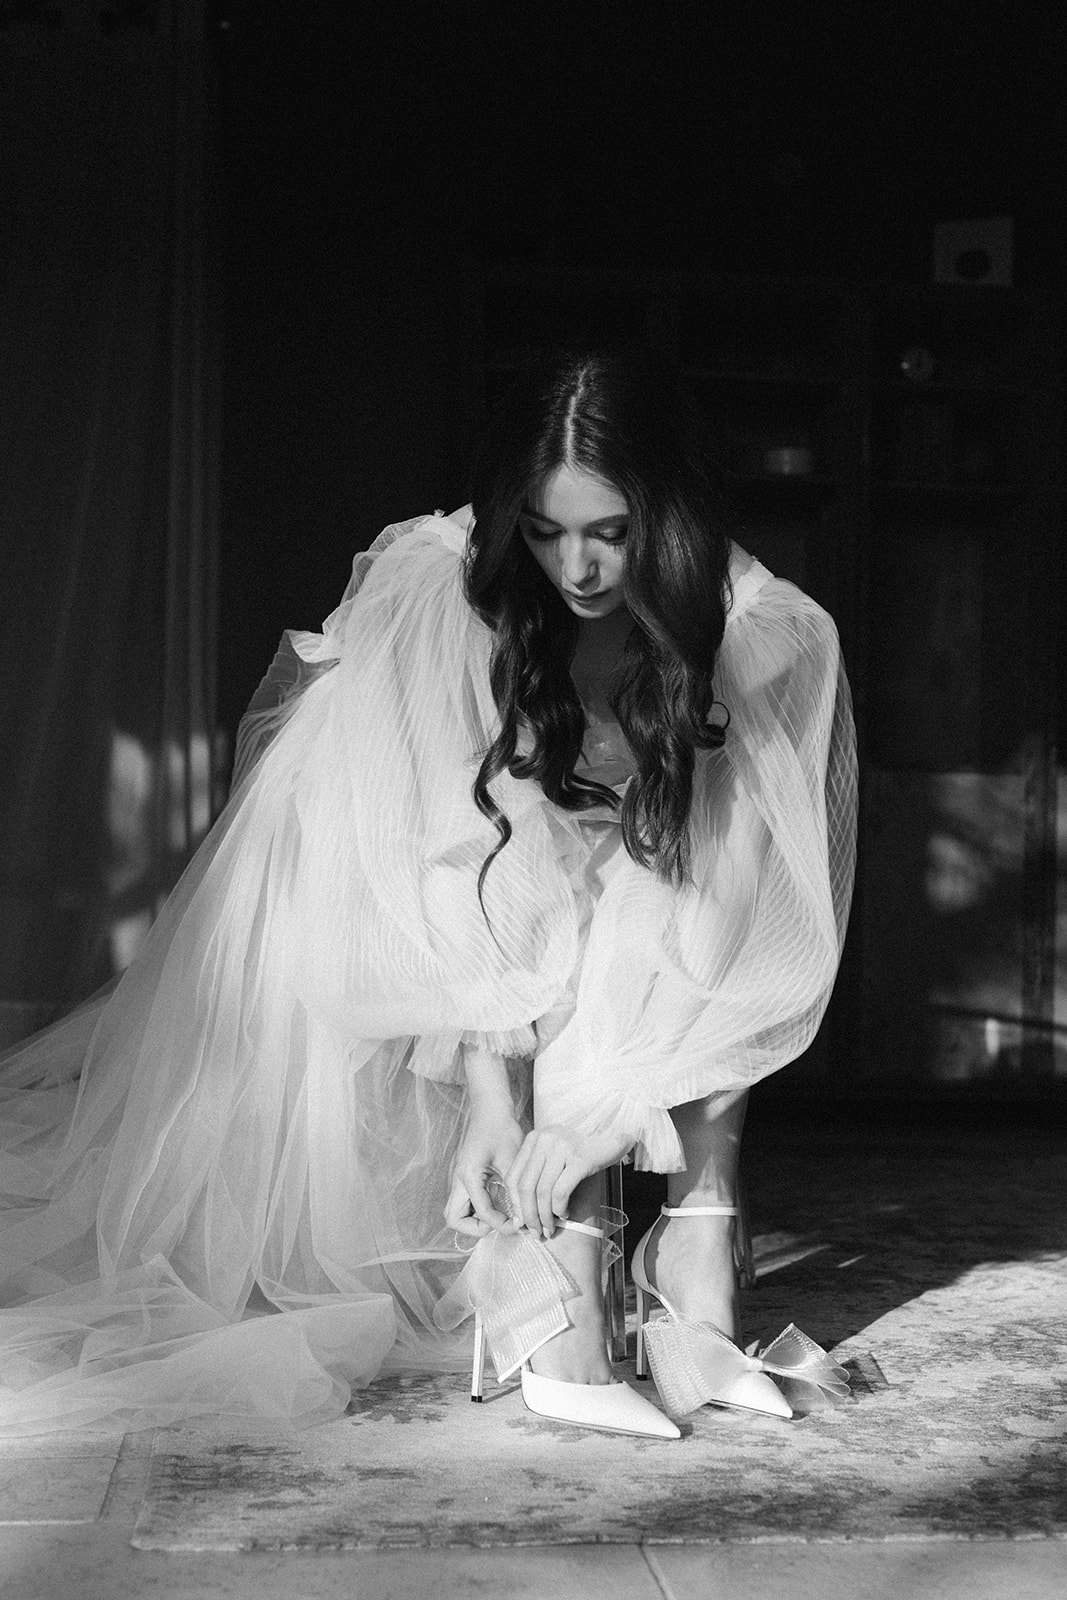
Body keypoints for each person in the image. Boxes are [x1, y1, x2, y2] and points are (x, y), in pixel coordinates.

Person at [0, 345, 856, 1439]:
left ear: (668, 519)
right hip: (398, 876)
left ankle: (693, 1262)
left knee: (688, 890)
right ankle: (557, 1289)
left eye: (610, 532)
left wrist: (625, 1102)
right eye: (544, 532)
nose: (577, 569)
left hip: (611, 873)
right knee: (556, 935)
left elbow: (723, 900)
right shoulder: (452, 596)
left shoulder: (761, 628)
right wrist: (496, 1105)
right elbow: (461, 878)